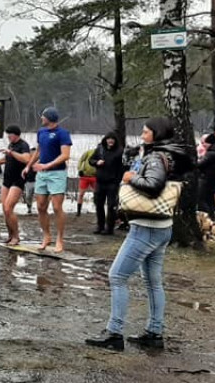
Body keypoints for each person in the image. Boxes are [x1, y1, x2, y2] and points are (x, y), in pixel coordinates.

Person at [86, 117, 193, 351]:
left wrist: (130, 178)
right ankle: (154, 332)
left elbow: (153, 185)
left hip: (146, 226)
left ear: (157, 134)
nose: (142, 135)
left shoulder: (156, 157)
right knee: (153, 282)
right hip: (162, 226)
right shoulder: (168, 153)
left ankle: (114, 334)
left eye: (146, 132)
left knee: (116, 277)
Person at [24, 107, 72, 252]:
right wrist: (28, 165)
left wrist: (47, 165)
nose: (41, 119)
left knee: (57, 207)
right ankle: (46, 236)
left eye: (43, 116)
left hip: (57, 173)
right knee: (40, 206)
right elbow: (39, 151)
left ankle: (60, 239)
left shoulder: (62, 134)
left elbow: (65, 155)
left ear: (49, 118)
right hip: (42, 174)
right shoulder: (41, 132)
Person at [0, 124, 31, 245]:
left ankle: (16, 236)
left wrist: (11, 152)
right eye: (7, 134)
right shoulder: (11, 145)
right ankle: (10, 235)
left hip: (17, 180)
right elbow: (6, 159)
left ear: (15, 135)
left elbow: (26, 159)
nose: (8, 136)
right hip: (7, 180)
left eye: (9, 134)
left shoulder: (23, 145)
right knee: (5, 209)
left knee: (9, 208)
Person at [91, 131, 124, 235]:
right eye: (108, 139)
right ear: (105, 140)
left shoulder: (119, 151)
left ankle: (109, 228)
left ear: (115, 141)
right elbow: (90, 160)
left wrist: (118, 180)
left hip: (112, 183)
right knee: (98, 204)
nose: (110, 141)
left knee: (111, 206)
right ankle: (100, 226)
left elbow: (122, 167)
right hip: (100, 182)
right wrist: (96, 162)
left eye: (112, 139)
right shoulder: (100, 149)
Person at [196, 133, 215, 220]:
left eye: (205, 143)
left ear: (210, 143)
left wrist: (197, 160)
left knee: (201, 200)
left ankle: (206, 217)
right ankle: (212, 217)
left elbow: (199, 165)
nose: (204, 145)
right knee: (210, 201)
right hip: (213, 180)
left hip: (205, 179)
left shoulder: (210, 154)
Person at [76, 147, 97, 217]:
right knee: (81, 194)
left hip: (95, 176)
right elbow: (81, 160)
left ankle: (98, 210)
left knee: (97, 194)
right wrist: (80, 169)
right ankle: (78, 211)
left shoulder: (102, 154)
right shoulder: (89, 152)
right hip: (85, 176)